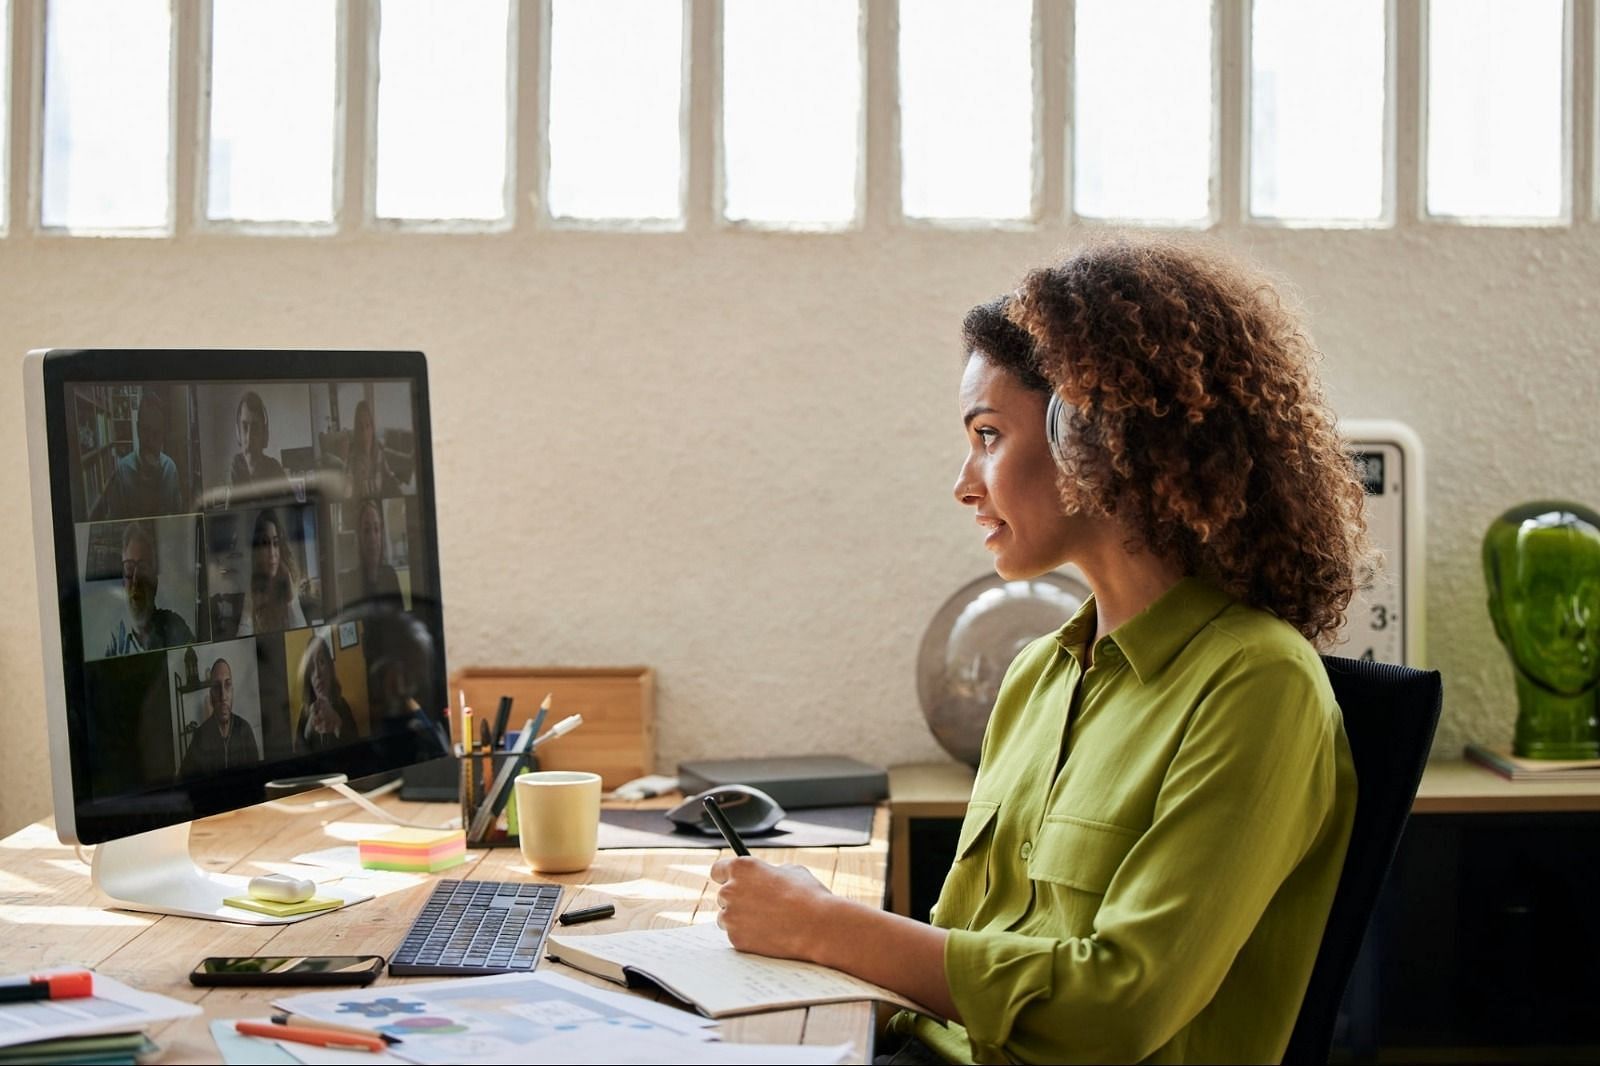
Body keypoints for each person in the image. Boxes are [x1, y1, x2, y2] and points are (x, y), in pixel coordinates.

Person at [710, 236, 1369, 1065]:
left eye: (988, 434)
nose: (964, 480)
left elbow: (1119, 1009)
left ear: (1094, 433)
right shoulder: (1036, 677)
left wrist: (825, 926)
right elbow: (953, 959)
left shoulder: (1257, 684)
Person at [104, 521, 194, 657]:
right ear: (123, 582)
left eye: (143, 570)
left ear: (155, 583)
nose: (136, 581)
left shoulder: (176, 627)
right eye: (129, 569)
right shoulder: (112, 640)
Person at [94, 388, 183, 520]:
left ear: (163, 434)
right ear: (137, 428)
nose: (150, 440)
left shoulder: (171, 470)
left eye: (156, 433)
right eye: (145, 430)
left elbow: (178, 518)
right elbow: (115, 523)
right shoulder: (123, 471)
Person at [179, 658, 260, 775]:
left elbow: (257, 776)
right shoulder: (200, 736)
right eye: (217, 687)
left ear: (232, 691)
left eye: (227, 685)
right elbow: (184, 779)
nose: (223, 696)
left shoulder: (245, 729)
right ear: (211, 695)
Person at [237, 508, 307, 636]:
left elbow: (303, 638)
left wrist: (291, 599)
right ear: (256, 551)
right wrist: (249, 607)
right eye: (264, 544)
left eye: (275, 543)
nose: (272, 553)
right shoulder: (252, 588)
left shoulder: (291, 584)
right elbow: (242, 641)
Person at [296, 635, 359, 753]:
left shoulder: (343, 706)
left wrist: (337, 724)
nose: (317, 674)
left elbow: (358, 752)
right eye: (311, 667)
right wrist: (309, 728)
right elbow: (297, 758)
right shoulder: (304, 713)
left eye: (321, 661)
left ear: (330, 667)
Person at [338, 497, 403, 609]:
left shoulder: (390, 575)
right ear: (359, 536)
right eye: (367, 530)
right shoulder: (350, 582)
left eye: (376, 529)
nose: (372, 538)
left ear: (381, 535)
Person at [226, 391, 287, 501]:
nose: (249, 438)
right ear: (238, 432)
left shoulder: (275, 468)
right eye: (244, 427)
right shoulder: (235, 466)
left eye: (255, 428)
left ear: (264, 434)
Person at [344, 399, 398, 500]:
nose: (364, 432)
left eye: (367, 426)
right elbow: (347, 488)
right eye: (360, 427)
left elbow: (390, 478)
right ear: (356, 430)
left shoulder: (380, 451)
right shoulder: (352, 454)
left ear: (372, 428)